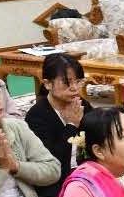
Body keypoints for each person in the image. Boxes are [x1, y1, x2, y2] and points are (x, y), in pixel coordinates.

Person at [23, 53, 88, 181]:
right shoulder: (36, 116)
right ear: (47, 84)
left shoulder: (81, 104)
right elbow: (51, 161)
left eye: (78, 81)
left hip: (84, 172)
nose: (75, 88)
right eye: (67, 82)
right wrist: (71, 125)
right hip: (57, 179)